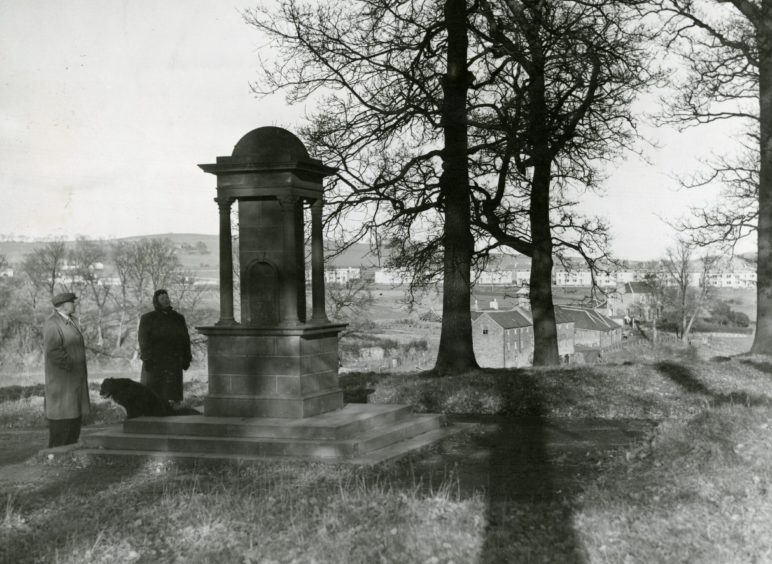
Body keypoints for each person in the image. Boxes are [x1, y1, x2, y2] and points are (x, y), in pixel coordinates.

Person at [43, 292, 90, 448]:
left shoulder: (71, 321)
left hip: (73, 381)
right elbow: (53, 351)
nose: (74, 304)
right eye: (72, 302)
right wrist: (72, 366)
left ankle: (69, 453)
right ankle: (56, 455)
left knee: (73, 417)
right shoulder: (53, 323)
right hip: (63, 383)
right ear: (63, 305)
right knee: (62, 420)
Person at [138, 289, 192, 406]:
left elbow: (185, 339)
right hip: (154, 361)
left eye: (167, 298)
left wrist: (187, 357)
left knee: (172, 394)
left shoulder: (178, 318)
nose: (166, 300)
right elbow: (143, 340)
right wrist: (147, 358)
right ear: (156, 301)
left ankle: (173, 415)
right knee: (154, 394)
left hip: (173, 361)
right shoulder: (148, 318)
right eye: (162, 299)